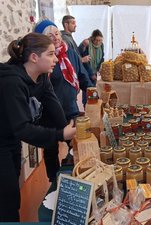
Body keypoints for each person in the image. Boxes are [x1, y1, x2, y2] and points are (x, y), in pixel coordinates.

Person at [0, 32, 76, 222]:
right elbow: (23, 129)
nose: (56, 58)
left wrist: (69, 136)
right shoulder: (12, 82)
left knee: (11, 190)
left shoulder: (41, 76)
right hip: (3, 139)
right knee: (6, 195)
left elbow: (52, 104)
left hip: (11, 138)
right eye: (50, 54)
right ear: (34, 57)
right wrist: (60, 134)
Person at [34, 19, 93, 181]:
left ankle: (77, 179)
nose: (55, 37)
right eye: (49, 35)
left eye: (57, 33)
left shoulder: (70, 53)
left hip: (70, 110)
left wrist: (91, 89)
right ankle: (54, 181)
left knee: (77, 146)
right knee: (51, 150)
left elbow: (82, 76)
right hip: (48, 115)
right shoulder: (42, 61)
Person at [79, 29, 105, 105]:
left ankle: (93, 106)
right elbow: (85, 61)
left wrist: (99, 68)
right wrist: (91, 74)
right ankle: (86, 106)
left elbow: (102, 57)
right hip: (86, 71)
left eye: (100, 40)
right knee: (87, 90)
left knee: (94, 90)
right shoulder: (87, 45)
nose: (98, 42)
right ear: (92, 39)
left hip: (95, 71)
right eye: (96, 40)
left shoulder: (101, 45)